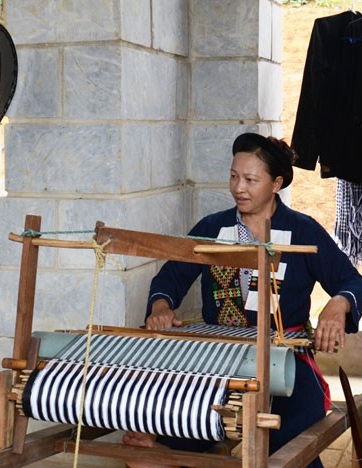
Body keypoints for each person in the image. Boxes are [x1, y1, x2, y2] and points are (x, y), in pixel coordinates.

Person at [122, 132, 362, 468]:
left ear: (276, 183)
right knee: (179, 419)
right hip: (218, 360)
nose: (239, 187)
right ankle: (171, 452)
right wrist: (161, 305)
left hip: (285, 362)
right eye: (234, 176)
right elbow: (170, 278)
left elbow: (350, 280)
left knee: (287, 434)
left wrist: (338, 305)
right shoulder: (213, 228)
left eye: (251, 179)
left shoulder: (302, 231)